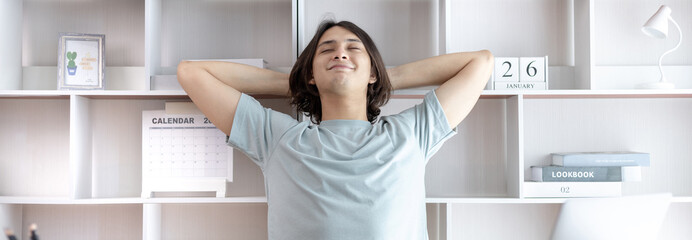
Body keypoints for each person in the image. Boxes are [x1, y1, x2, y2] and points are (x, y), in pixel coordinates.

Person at [177, 20, 493, 240]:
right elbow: (191, 72)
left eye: (353, 49)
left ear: (373, 72)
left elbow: (481, 62)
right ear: (311, 74)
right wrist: (300, 80)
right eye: (327, 50)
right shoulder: (279, 139)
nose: (340, 53)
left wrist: (384, 74)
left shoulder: (411, 133)